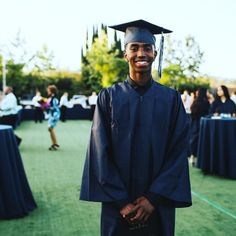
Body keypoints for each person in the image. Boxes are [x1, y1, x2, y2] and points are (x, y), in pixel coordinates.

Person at [80, 19, 192, 236]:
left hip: (158, 204)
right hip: (118, 205)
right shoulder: (108, 97)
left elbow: (178, 151)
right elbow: (99, 151)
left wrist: (153, 198)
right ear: (125, 55)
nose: (141, 53)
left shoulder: (171, 99)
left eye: (147, 48)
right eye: (134, 47)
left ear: (155, 54)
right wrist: (122, 201)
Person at [189, 88, 210, 166]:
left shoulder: (196, 102)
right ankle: (197, 157)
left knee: (193, 140)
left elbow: (192, 113)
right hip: (203, 124)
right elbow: (208, 113)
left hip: (195, 124)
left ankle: (192, 156)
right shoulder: (206, 102)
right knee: (200, 140)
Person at [47, 85, 60, 150]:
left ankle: (55, 143)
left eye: (48, 90)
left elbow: (55, 108)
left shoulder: (54, 99)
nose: (47, 91)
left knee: (50, 128)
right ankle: (54, 143)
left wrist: (46, 106)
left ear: (51, 91)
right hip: (51, 115)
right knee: (50, 129)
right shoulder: (51, 98)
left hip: (54, 115)